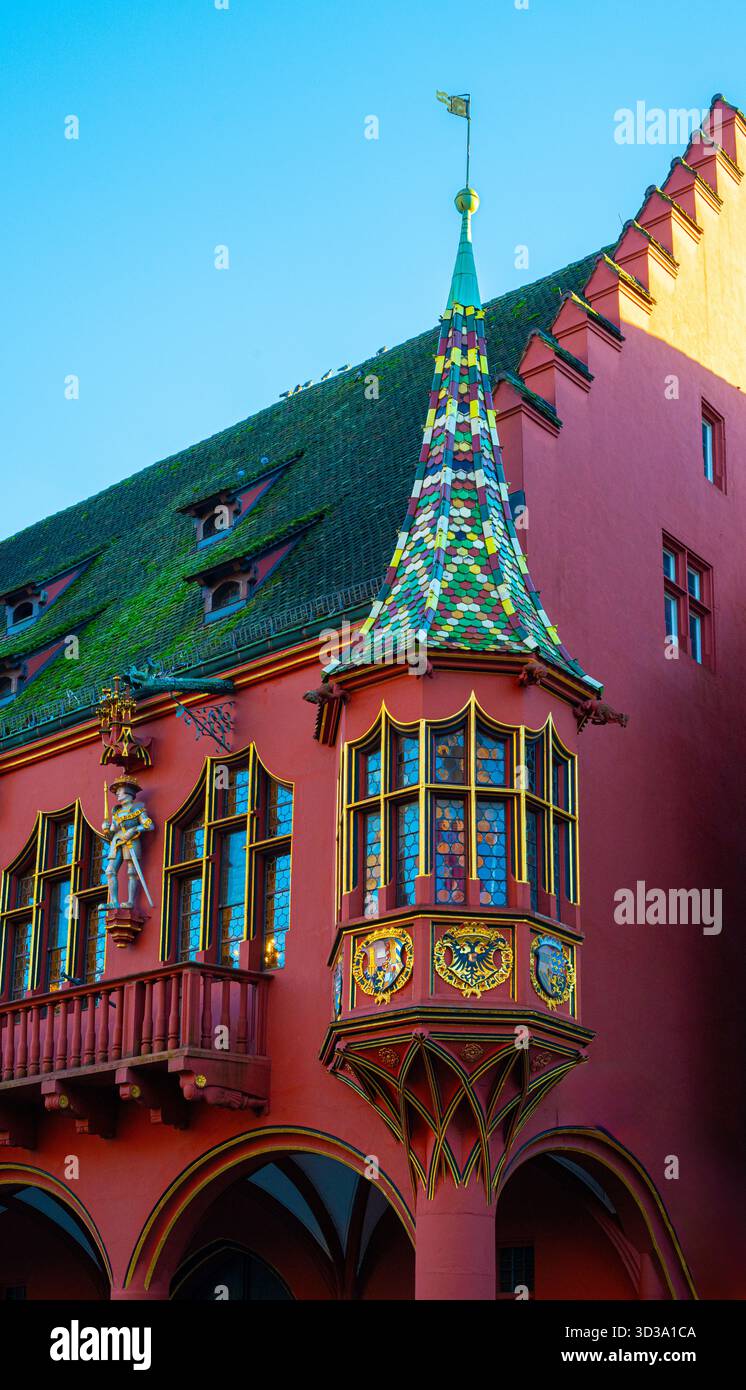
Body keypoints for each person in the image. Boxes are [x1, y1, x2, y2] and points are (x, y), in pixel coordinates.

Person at [103, 776, 154, 910]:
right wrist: (107, 829)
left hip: (131, 840)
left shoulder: (138, 810)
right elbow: (111, 834)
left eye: (120, 791)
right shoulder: (117, 813)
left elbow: (149, 825)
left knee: (132, 871)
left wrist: (134, 829)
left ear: (128, 793)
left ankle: (130, 901)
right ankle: (114, 901)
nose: (117, 794)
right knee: (109, 871)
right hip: (117, 841)